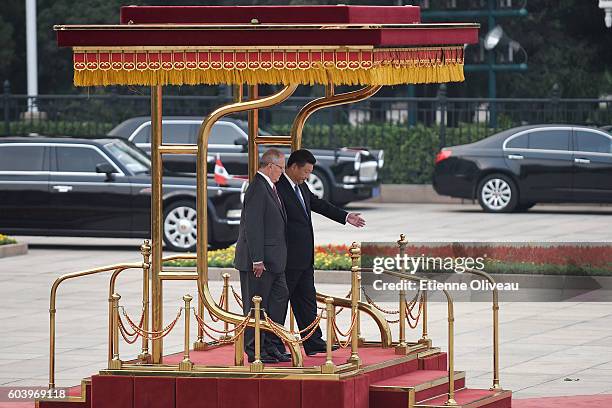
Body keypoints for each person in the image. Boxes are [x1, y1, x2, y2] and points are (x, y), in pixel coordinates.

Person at [275, 149, 365, 356]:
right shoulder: (279, 188)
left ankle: (312, 340)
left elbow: (318, 204)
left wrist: (345, 216)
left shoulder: (301, 186)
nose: (307, 176)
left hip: (305, 258)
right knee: (279, 303)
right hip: (287, 259)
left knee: (306, 301)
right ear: (293, 166)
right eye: (305, 172)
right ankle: (274, 345)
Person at [233, 148, 291, 363]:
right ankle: (255, 350)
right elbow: (253, 226)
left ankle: (271, 345)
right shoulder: (257, 187)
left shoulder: (270, 187)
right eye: (281, 168)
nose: (282, 173)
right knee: (256, 307)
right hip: (259, 262)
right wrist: (257, 258)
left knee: (276, 302)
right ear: (270, 166)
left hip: (274, 261)